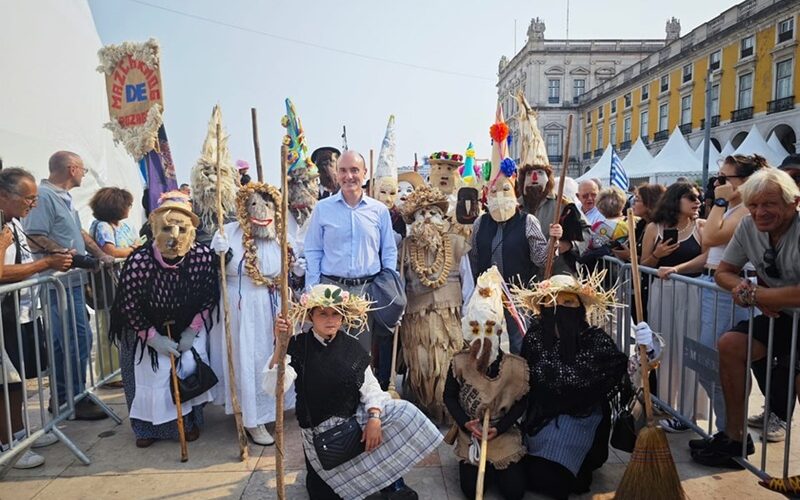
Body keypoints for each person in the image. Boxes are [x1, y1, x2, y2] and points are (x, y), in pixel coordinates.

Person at [268, 284, 441, 500]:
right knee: (324, 495)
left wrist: (375, 418)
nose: (330, 319)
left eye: (336, 314)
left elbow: (370, 388)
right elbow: (275, 388)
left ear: (343, 318)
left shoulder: (352, 347)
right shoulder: (298, 346)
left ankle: (390, 479)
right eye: (323, 313)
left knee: (402, 411)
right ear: (311, 316)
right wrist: (279, 347)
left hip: (351, 427)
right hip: (320, 437)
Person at [693, 169, 800, 470]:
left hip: (781, 310)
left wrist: (757, 296)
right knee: (730, 344)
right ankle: (734, 436)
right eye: (753, 205)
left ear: (794, 203)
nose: (759, 212)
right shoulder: (747, 227)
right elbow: (724, 272)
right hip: (782, 315)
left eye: (769, 204)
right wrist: (739, 287)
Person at [109, 191, 220, 448]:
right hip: (144, 325)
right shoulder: (139, 261)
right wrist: (151, 337)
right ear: (155, 229)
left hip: (185, 322)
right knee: (149, 372)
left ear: (191, 231)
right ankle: (145, 427)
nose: (174, 237)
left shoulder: (202, 257)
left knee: (186, 368)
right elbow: (128, 303)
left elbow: (208, 296)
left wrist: (192, 330)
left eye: (182, 229)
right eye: (167, 228)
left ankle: (190, 422)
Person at [514, 272, 630, 499]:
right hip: (541, 417)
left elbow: (623, 373)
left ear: (579, 307)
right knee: (522, 476)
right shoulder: (535, 337)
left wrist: (649, 353)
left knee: (556, 482)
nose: (559, 309)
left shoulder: (593, 340)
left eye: (567, 302)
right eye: (552, 302)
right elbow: (522, 379)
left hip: (581, 418)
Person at [23, 151, 113, 421]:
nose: (83, 175)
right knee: (75, 340)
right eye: (83, 170)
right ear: (72, 169)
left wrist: (98, 255)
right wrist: (66, 254)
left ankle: (66, 397)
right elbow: (33, 236)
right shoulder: (44, 196)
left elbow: (80, 233)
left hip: (69, 283)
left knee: (70, 342)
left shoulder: (62, 197)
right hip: (57, 284)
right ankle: (72, 398)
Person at [208, 182, 296, 446]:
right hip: (244, 305)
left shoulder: (279, 234)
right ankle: (252, 418)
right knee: (249, 357)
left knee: (273, 355)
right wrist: (220, 256)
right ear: (244, 209)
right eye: (254, 205)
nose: (262, 211)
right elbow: (218, 272)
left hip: (274, 302)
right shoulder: (230, 234)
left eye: (267, 205)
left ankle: (274, 407)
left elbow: (289, 267)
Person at [691, 155, 769, 448]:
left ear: (745, 182)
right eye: (717, 178)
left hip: (729, 291)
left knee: (715, 363)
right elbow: (707, 247)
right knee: (711, 364)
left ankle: (732, 434)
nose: (718, 184)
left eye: (725, 179)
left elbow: (709, 237)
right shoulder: (737, 209)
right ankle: (730, 431)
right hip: (716, 285)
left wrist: (719, 204)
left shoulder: (745, 211)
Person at [469, 107, 552, 354]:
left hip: (518, 298)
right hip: (486, 300)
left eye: (505, 190)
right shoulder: (479, 223)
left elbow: (539, 258)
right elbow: (474, 260)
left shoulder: (528, 222)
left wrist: (553, 243)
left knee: (519, 346)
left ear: (514, 192)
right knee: (486, 348)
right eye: (494, 191)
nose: (499, 196)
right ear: (487, 194)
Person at [443, 267, 528, 500]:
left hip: (501, 431)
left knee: (514, 492)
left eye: (488, 328)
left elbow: (522, 403)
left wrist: (500, 427)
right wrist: (465, 423)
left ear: (499, 329)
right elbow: (449, 396)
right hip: (471, 432)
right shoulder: (459, 363)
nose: (482, 336)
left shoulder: (515, 366)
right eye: (476, 328)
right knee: (470, 490)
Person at [304, 150, 398, 357]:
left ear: (364, 172)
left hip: (366, 292)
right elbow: (313, 250)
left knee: (360, 355)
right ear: (337, 174)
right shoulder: (322, 209)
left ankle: (358, 390)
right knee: (328, 353)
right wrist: (312, 291)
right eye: (343, 171)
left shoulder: (379, 211)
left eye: (354, 170)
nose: (349, 176)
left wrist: (389, 287)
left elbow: (389, 251)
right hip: (330, 291)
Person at [399, 185, 473, 422]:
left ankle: (451, 410)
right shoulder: (405, 248)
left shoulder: (457, 243)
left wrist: (470, 314)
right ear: (414, 219)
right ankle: (426, 410)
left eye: (433, 212)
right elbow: (399, 285)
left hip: (450, 317)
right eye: (421, 213)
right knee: (423, 366)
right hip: (416, 318)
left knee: (448, 364)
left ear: (443, 216)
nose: (428, 217)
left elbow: (468, 282)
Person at [639, 181, 707, 432]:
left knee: (690, 351)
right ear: (675, 200)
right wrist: (657, 254)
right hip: (663, 293)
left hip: (695, 293)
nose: (697, 201)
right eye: (691, 197)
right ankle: (667, 405)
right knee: (665, 350)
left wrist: (676, 269)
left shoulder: (701, 226)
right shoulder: (654, 228)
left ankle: (688, 412)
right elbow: (643, 265)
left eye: (699, 197)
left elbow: (706, 258)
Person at [88, 187, 140, 389]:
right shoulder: (102, 227)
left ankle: (122, 366)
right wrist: (131, 251)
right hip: (108, 283)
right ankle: (109, 373)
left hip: (125, 282)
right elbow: (109, 251)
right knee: (107, 326)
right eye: (127, 204)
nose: (129, 208)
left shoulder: (123, 226)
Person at [611, 183, 665, 322]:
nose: (633, 203)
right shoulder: (641, 225)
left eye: (637, 200)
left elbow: (648, 263)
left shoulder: (657, 227)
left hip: (652, 288)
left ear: (650, 203)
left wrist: (630, 255)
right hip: (639, 286)